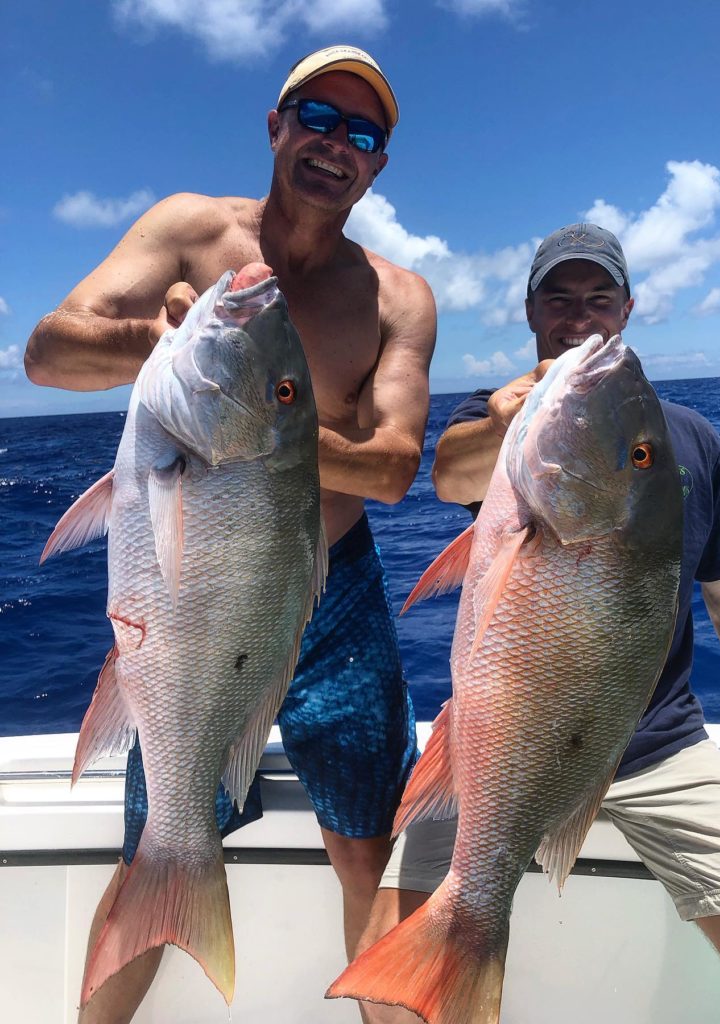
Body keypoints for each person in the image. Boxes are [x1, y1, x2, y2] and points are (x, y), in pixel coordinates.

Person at [25, 44, 436, 1023]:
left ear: (378, 166)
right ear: (276, 124)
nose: (338, 145)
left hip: (335, 588)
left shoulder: (397, 296)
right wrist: (159, 349)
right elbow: (45, 352)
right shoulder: (186, 229)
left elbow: (390, 466)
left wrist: (259, 428)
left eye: (363, 134)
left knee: (369, 847)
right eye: (319, 118)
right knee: (155, 837)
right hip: (198, 592)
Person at [357, 224, 720, 1024]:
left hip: (659, 745)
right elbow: (449, 475)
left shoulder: (691, 438)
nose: (580, 318)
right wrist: (508, 421)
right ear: (532, 311)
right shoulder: (501, 427)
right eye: (559, 299)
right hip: (503, 742)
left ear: (628, 308)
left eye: (598, 298)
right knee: (393, 992)